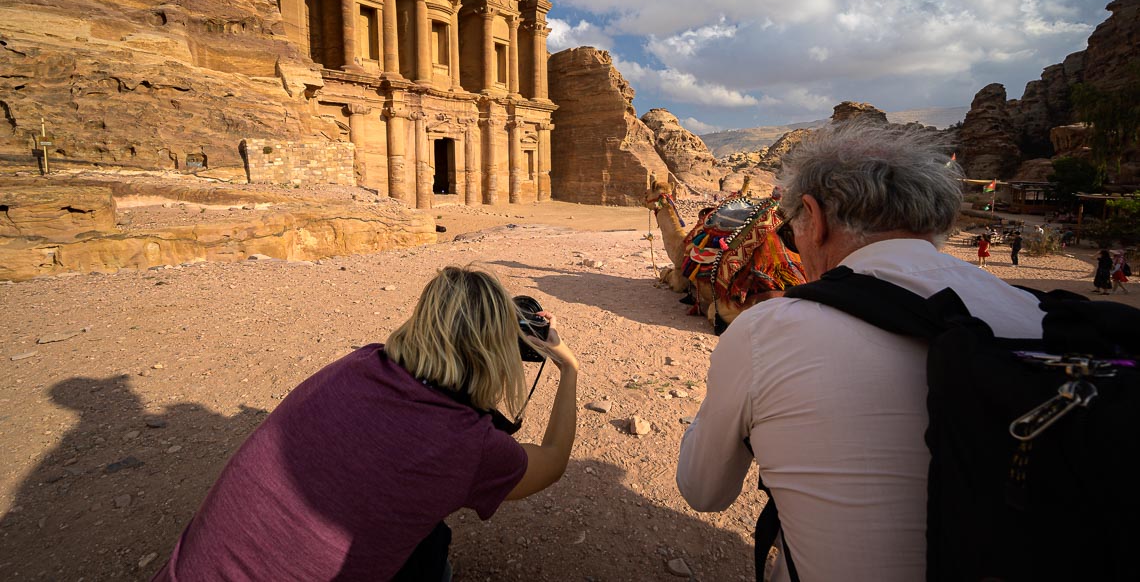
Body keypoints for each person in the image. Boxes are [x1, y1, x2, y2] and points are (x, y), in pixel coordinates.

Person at [675, 123, 1044, 582]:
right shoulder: (1037, 312)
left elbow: (701, 491)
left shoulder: (767, 329)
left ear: (815, 215)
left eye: (796, 230)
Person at [152, 265, 579, 581]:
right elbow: (554, 460)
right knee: (430, 551)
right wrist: (568, 366)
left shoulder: (360, 363)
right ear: (496, 349)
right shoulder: (467, 445)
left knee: (421, 525)